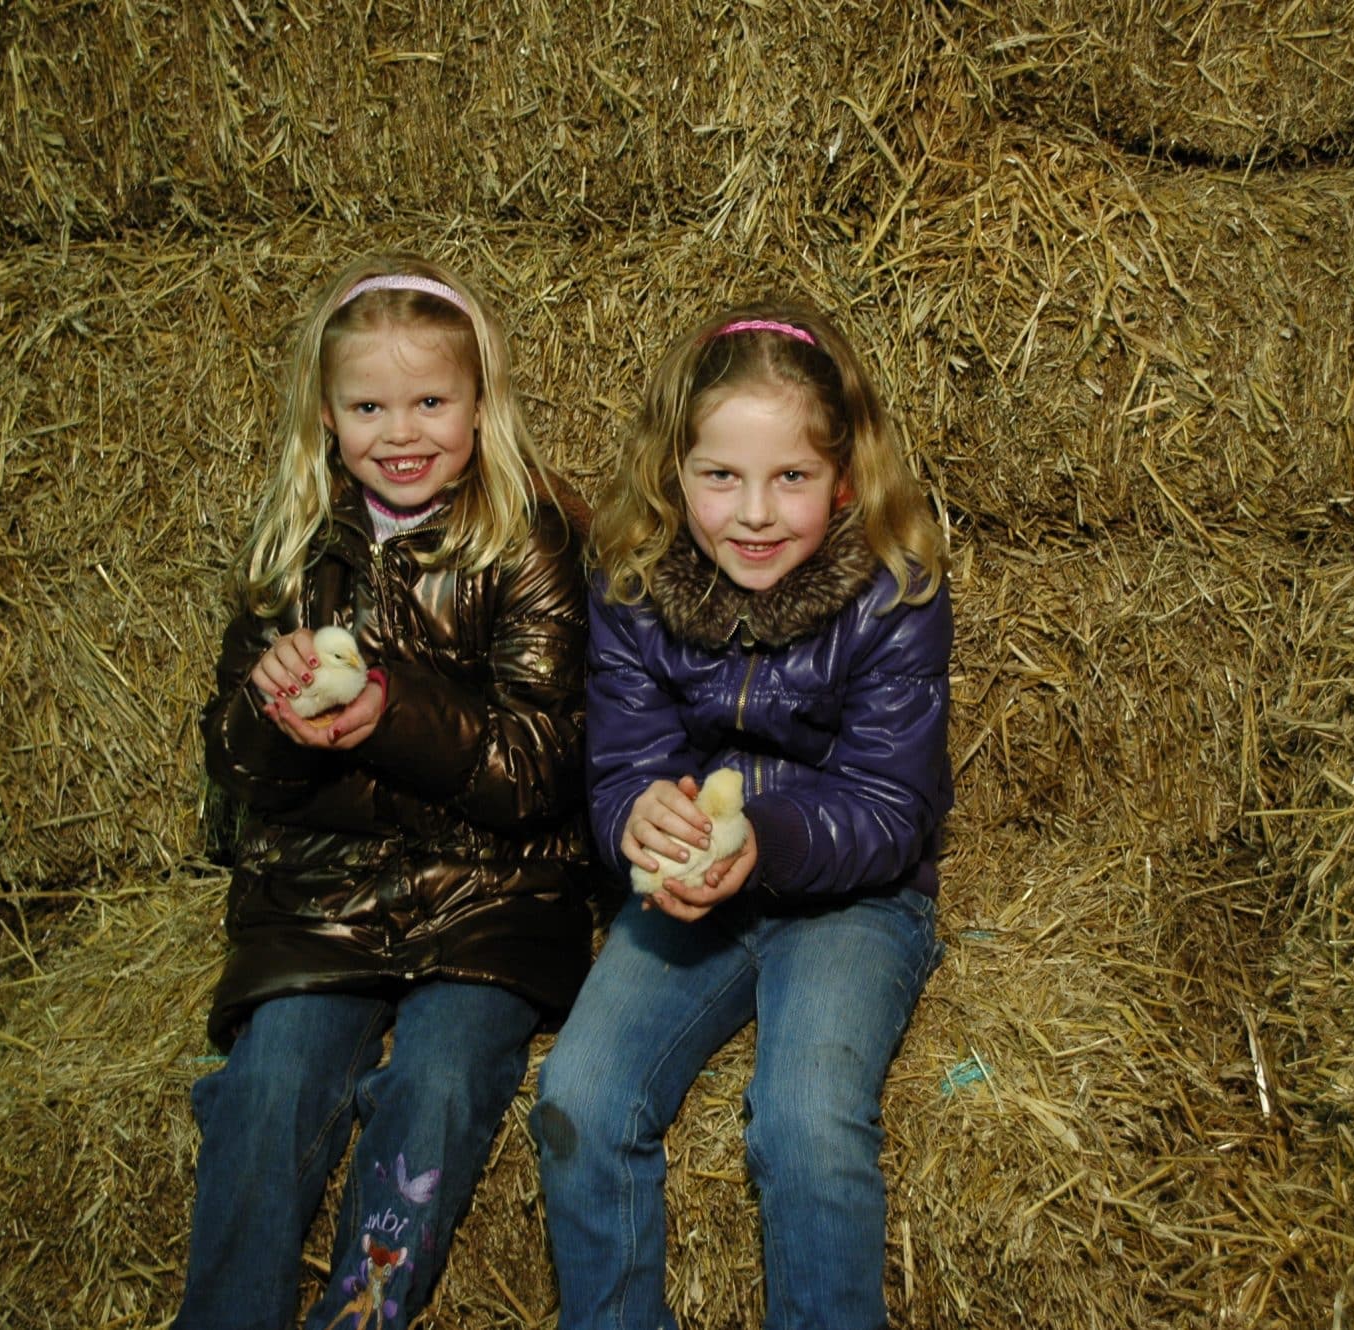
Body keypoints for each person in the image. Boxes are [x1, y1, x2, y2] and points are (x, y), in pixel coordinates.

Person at [178, 254, 594, 1330]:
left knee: (440, 1086)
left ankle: (361, 1319)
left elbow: (541, 766)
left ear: (479, 403)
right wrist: (268, 711)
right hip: (317, 899)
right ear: (325, 414)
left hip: (491, 901)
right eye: (368, 406)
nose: (399, 432)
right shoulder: (292, 548)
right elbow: (235, 769)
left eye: (429, 403)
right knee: (266, 1090)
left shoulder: (529, 540)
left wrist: (393, 712)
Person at [532, 303, 952, 1330]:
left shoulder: (893, 593)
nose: (755, 513)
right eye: (720, 476)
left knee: (804, 1120)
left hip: (854, 897)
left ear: (844, 477)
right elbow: (625, 764)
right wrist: (635, 820)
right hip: (694, 895)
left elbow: (891, 804)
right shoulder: (633, 587)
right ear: (672, 475)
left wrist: (765, 840)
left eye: (791, 476)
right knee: (579, 1095)